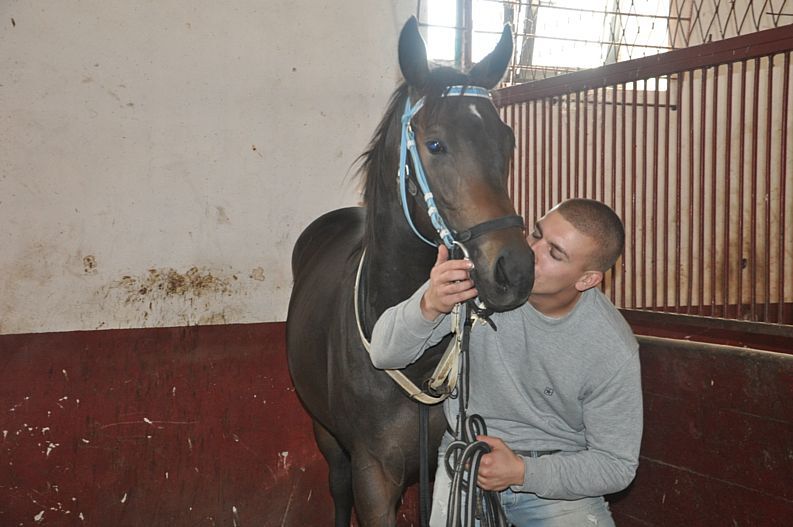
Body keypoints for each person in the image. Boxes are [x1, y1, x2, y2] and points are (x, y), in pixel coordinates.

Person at [370, 198, 643, 527]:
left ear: (586, 280)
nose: (532, 252)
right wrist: (429, 304)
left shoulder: (610, 347)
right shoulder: (482, 284)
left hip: (556, 479)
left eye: (554, 253)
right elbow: (384, 352)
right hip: (468, 459)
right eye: (536, 234)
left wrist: (522, 472)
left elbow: (616, 466)